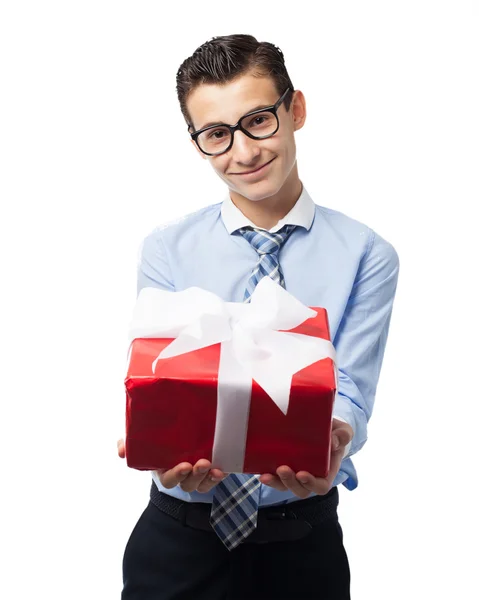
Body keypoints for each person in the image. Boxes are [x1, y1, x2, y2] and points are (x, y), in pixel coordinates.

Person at [118, 34, 399, 600]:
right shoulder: (166, 248)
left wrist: (337, 437)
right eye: (216, 134)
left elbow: (348, 385)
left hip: (302, 549)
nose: (243, 153)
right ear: (197, 141)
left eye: (258, 121)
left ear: (295, 110)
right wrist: (158, 443)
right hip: (177, 542)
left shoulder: (367, 253)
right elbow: (159, 367)